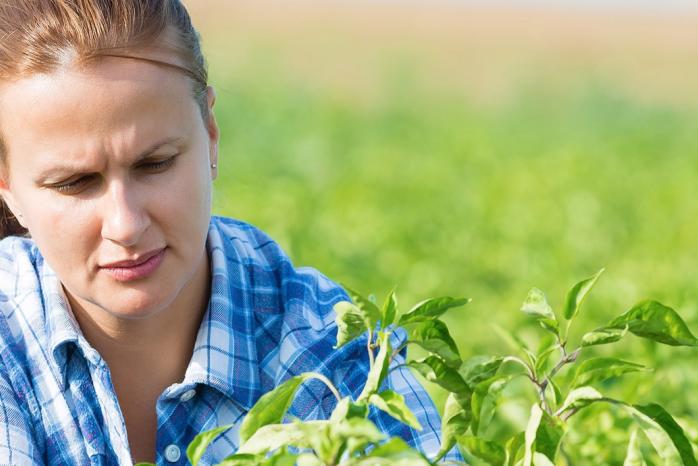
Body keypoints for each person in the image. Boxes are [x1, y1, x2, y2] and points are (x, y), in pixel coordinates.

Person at [0, 1, 460, 465]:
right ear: (8, 190)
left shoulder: (326, 352)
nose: (126, 224)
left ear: (211, 133)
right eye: (74, 183)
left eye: (155, 163)